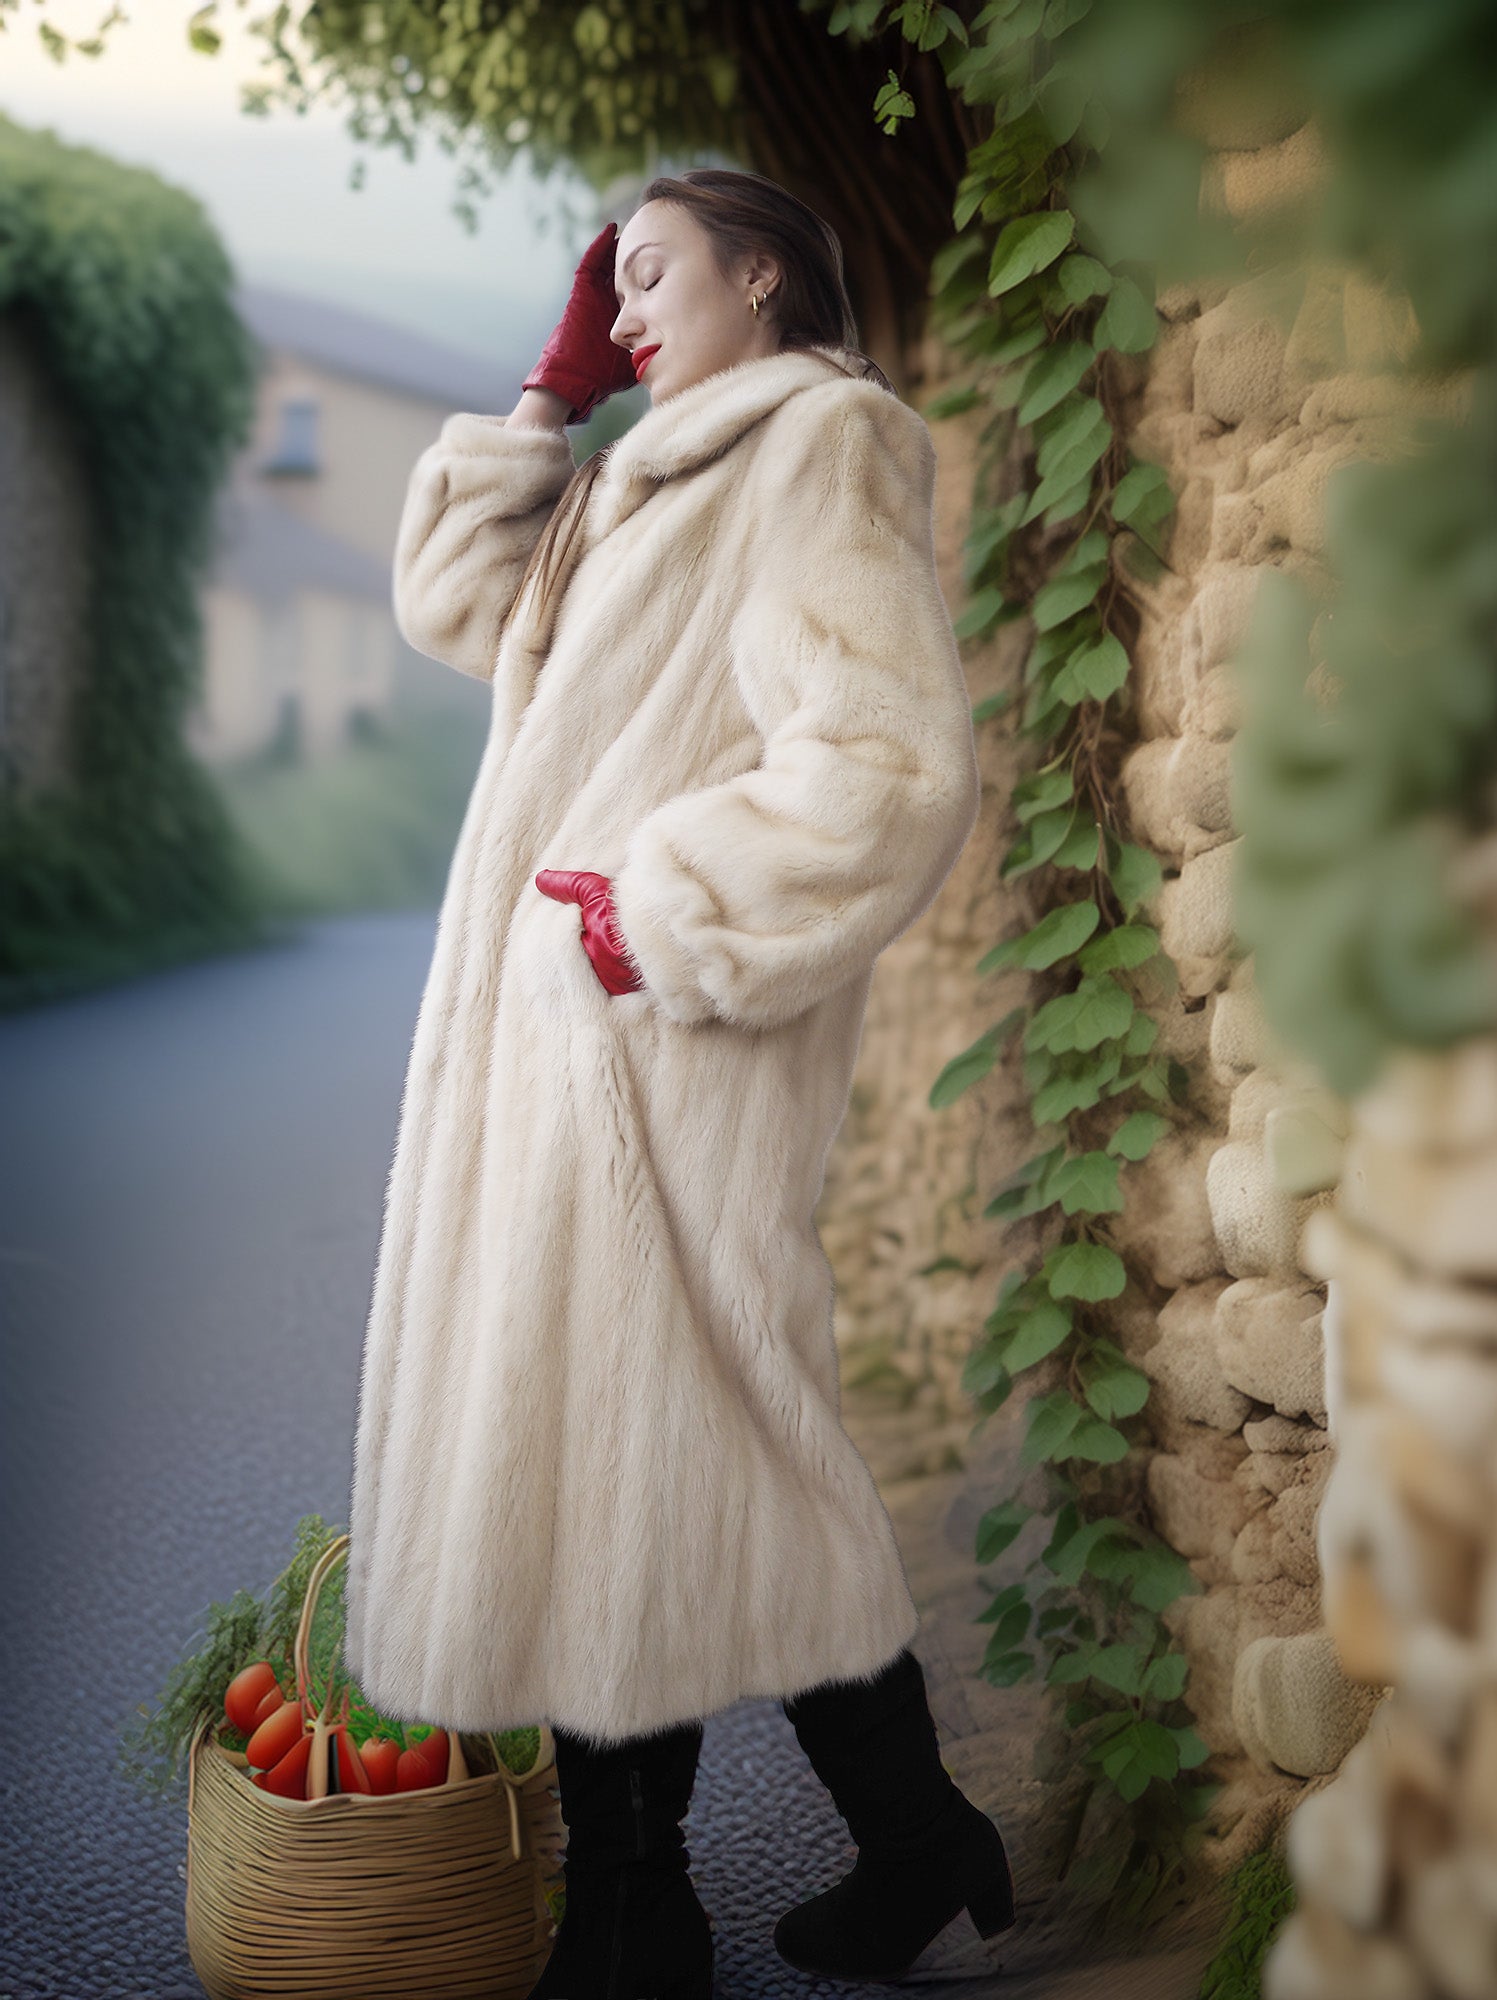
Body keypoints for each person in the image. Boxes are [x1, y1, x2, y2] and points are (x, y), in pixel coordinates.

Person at [340, 167, 1015, 1998]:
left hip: (664, 1039)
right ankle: (877, 1852)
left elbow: (886, 763)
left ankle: (649, 1914)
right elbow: (459, 612)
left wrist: (654, 915)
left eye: (649, 278)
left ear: (769, 273)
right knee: (647, 1453)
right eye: (606, 289)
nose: (622, 309)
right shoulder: (640, 479)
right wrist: (552, 401)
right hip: (562, 1057)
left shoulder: (820, 448)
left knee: (677, 1437)